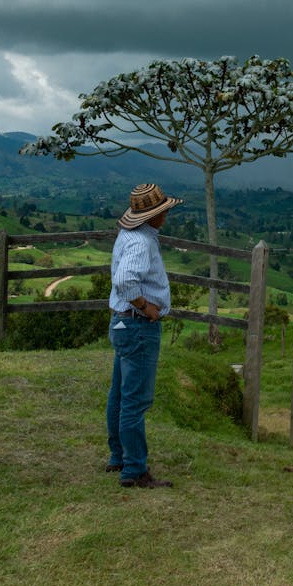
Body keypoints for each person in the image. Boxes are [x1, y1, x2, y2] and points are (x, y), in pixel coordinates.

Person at [105, 183, 182, 488]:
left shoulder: (130, 235)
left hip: (122, 323)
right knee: (136, 400)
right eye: (163, 210)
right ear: (151, 215)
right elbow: (125, 279)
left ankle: (120, 456)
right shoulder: (141, 242)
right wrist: (147, 307)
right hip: (137, 325)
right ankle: (134, 470)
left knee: (120, 395)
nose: (167, 214)